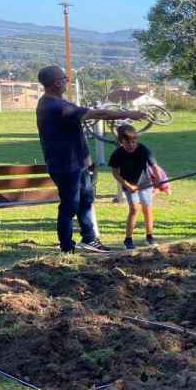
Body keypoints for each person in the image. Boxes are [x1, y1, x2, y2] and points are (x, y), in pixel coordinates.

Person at [35, 65, 148, 254]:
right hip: (65, 166)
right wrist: (129, 114)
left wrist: (86, 161)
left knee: (86, 200)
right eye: (64, 78)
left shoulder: (56, 103)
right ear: (56, 83)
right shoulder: (56, 106)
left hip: (78, 163)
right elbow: (98, 114)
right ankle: (66, 248)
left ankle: (89, 239)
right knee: (70, 206)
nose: (66, 82)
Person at [109, 124, 158, 249]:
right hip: (129, 185)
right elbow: (115, 173)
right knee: (134, 209)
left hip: (145, 184)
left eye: (133, 141)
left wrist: (157, 182)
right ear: (121, 141)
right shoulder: (117, 154)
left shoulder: (143, 149)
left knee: (147, 209)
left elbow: (154, 167)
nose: (131, 145)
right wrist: (127, 185)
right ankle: (128, 239)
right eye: (127, 142)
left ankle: (149, 236)